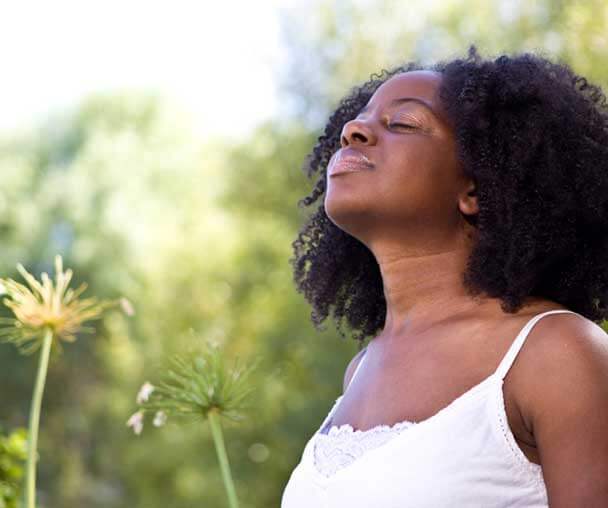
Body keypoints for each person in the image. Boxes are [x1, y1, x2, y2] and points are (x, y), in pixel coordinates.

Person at [281, 47, 608, 507]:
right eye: (356, 123)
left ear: (475, 188)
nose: (352, 132)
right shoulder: (360, 371)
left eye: (403, 124)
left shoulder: (556, 352)